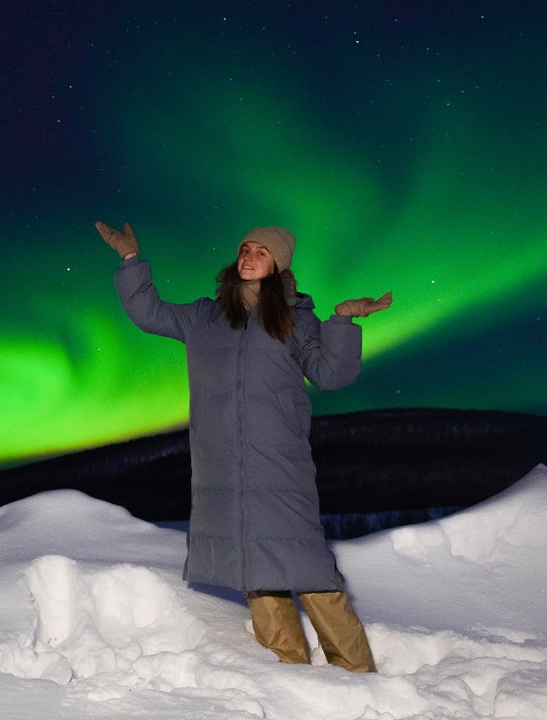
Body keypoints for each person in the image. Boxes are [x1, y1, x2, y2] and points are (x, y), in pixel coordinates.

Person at [95, 220, 392, 672]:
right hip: (221, 466)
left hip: (279, 461)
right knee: (255, 567)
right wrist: (132, 261)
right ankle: (287, 671)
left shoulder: (295, 317)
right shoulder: (205, 317)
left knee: (308, 567)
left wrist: (343, 321)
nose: (249, 257)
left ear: (278, 265)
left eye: (262, 252)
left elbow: (334, 375)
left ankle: (358, 675)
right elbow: (147, 312)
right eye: (245, 249)